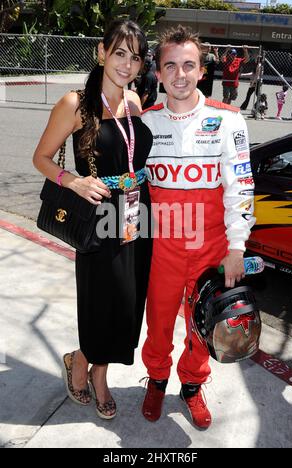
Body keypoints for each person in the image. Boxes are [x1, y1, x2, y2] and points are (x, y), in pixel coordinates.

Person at [33, 20, 153, 420]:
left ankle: (88, 362)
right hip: (98, 217)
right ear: (102, 52)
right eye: (119, 52)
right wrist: (75, 182)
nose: (126, 63)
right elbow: (42, 158)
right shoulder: (74, 103)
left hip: (138, 215)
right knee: (102, 304)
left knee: (127, 306)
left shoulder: (134, 102)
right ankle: (89, 369)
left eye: (134, 57)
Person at [141, 25, 255, 429]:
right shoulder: (145, 122)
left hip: (211, 248)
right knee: (157, 326)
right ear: (157, 73)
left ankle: (191, 385)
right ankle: (156, 378)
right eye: (170, 66)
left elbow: (240, 186)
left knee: (202, 325)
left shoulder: (228, 120)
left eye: (188, 65)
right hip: (162, 250)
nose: (179, 74)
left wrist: (237, 247)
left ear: (202, 70)